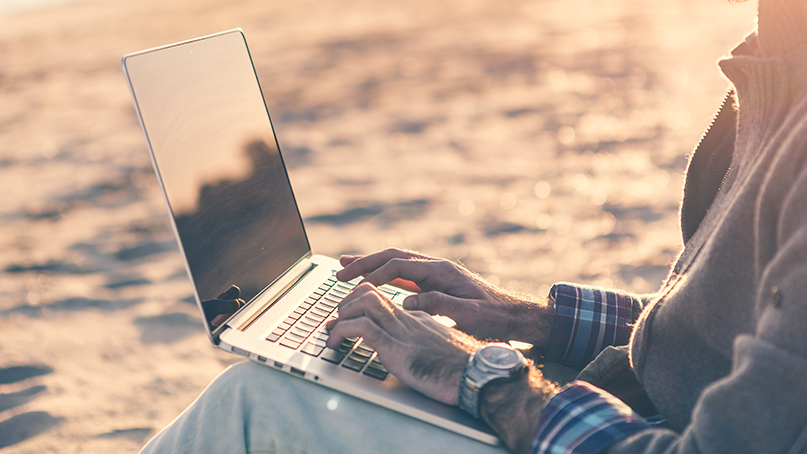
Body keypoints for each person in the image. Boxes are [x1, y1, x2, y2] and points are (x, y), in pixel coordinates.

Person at [139, 0, 807, 452]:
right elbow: (738, 327)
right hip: (616, 408)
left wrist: (488, 379)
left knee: (255, 403)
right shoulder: (777, 71)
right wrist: (529, 322)